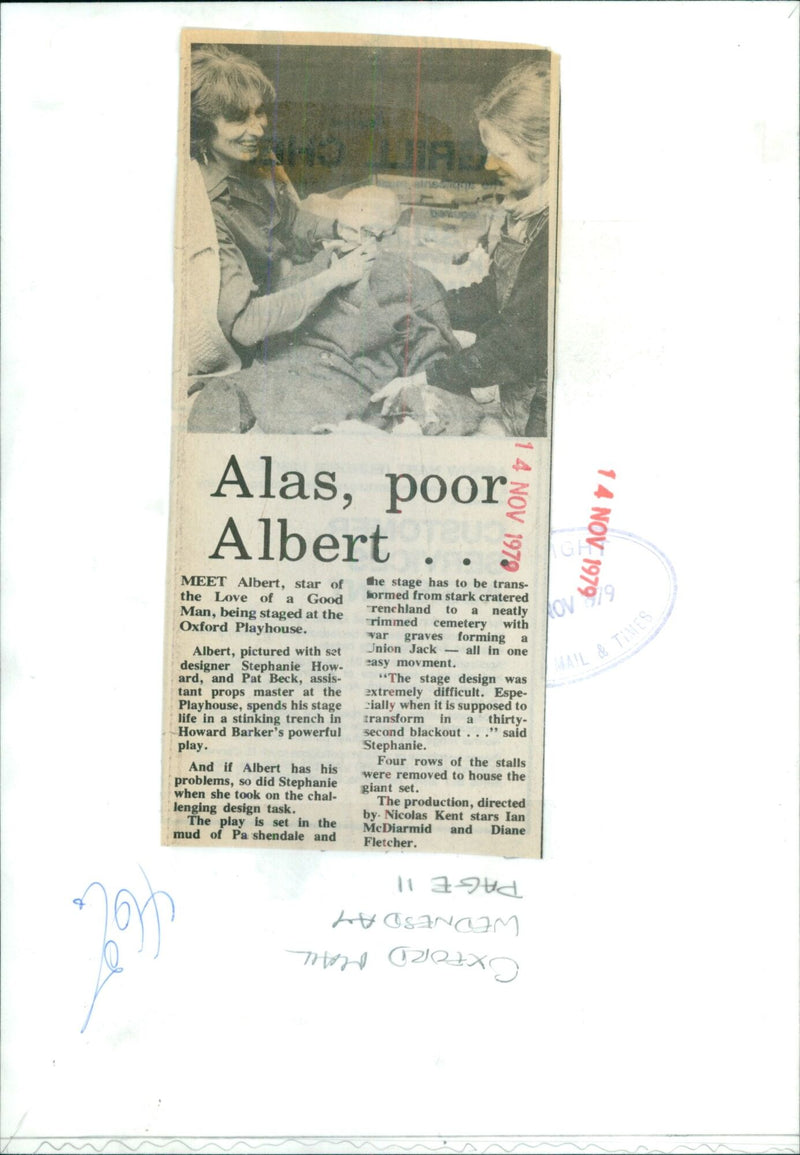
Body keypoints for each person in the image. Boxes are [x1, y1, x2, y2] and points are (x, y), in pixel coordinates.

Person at [371, 60, 552, 437]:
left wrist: (426, 378)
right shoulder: (526, 211)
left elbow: (515, 343)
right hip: (523, 394)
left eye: (501, 152)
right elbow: (498, 295)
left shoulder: (556, 230)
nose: (489, 164)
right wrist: (425, 308)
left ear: (549, 152)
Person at [189, 44, 376, 360]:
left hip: (288, 301)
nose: (258, 128)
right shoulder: (199, 206)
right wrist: (334, 278)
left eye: (259, 112)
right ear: (203, 126)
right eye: (238, 118)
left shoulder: (258, 162)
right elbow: (244, 325)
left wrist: (336, 228)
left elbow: (289, 220)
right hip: (250, 345)